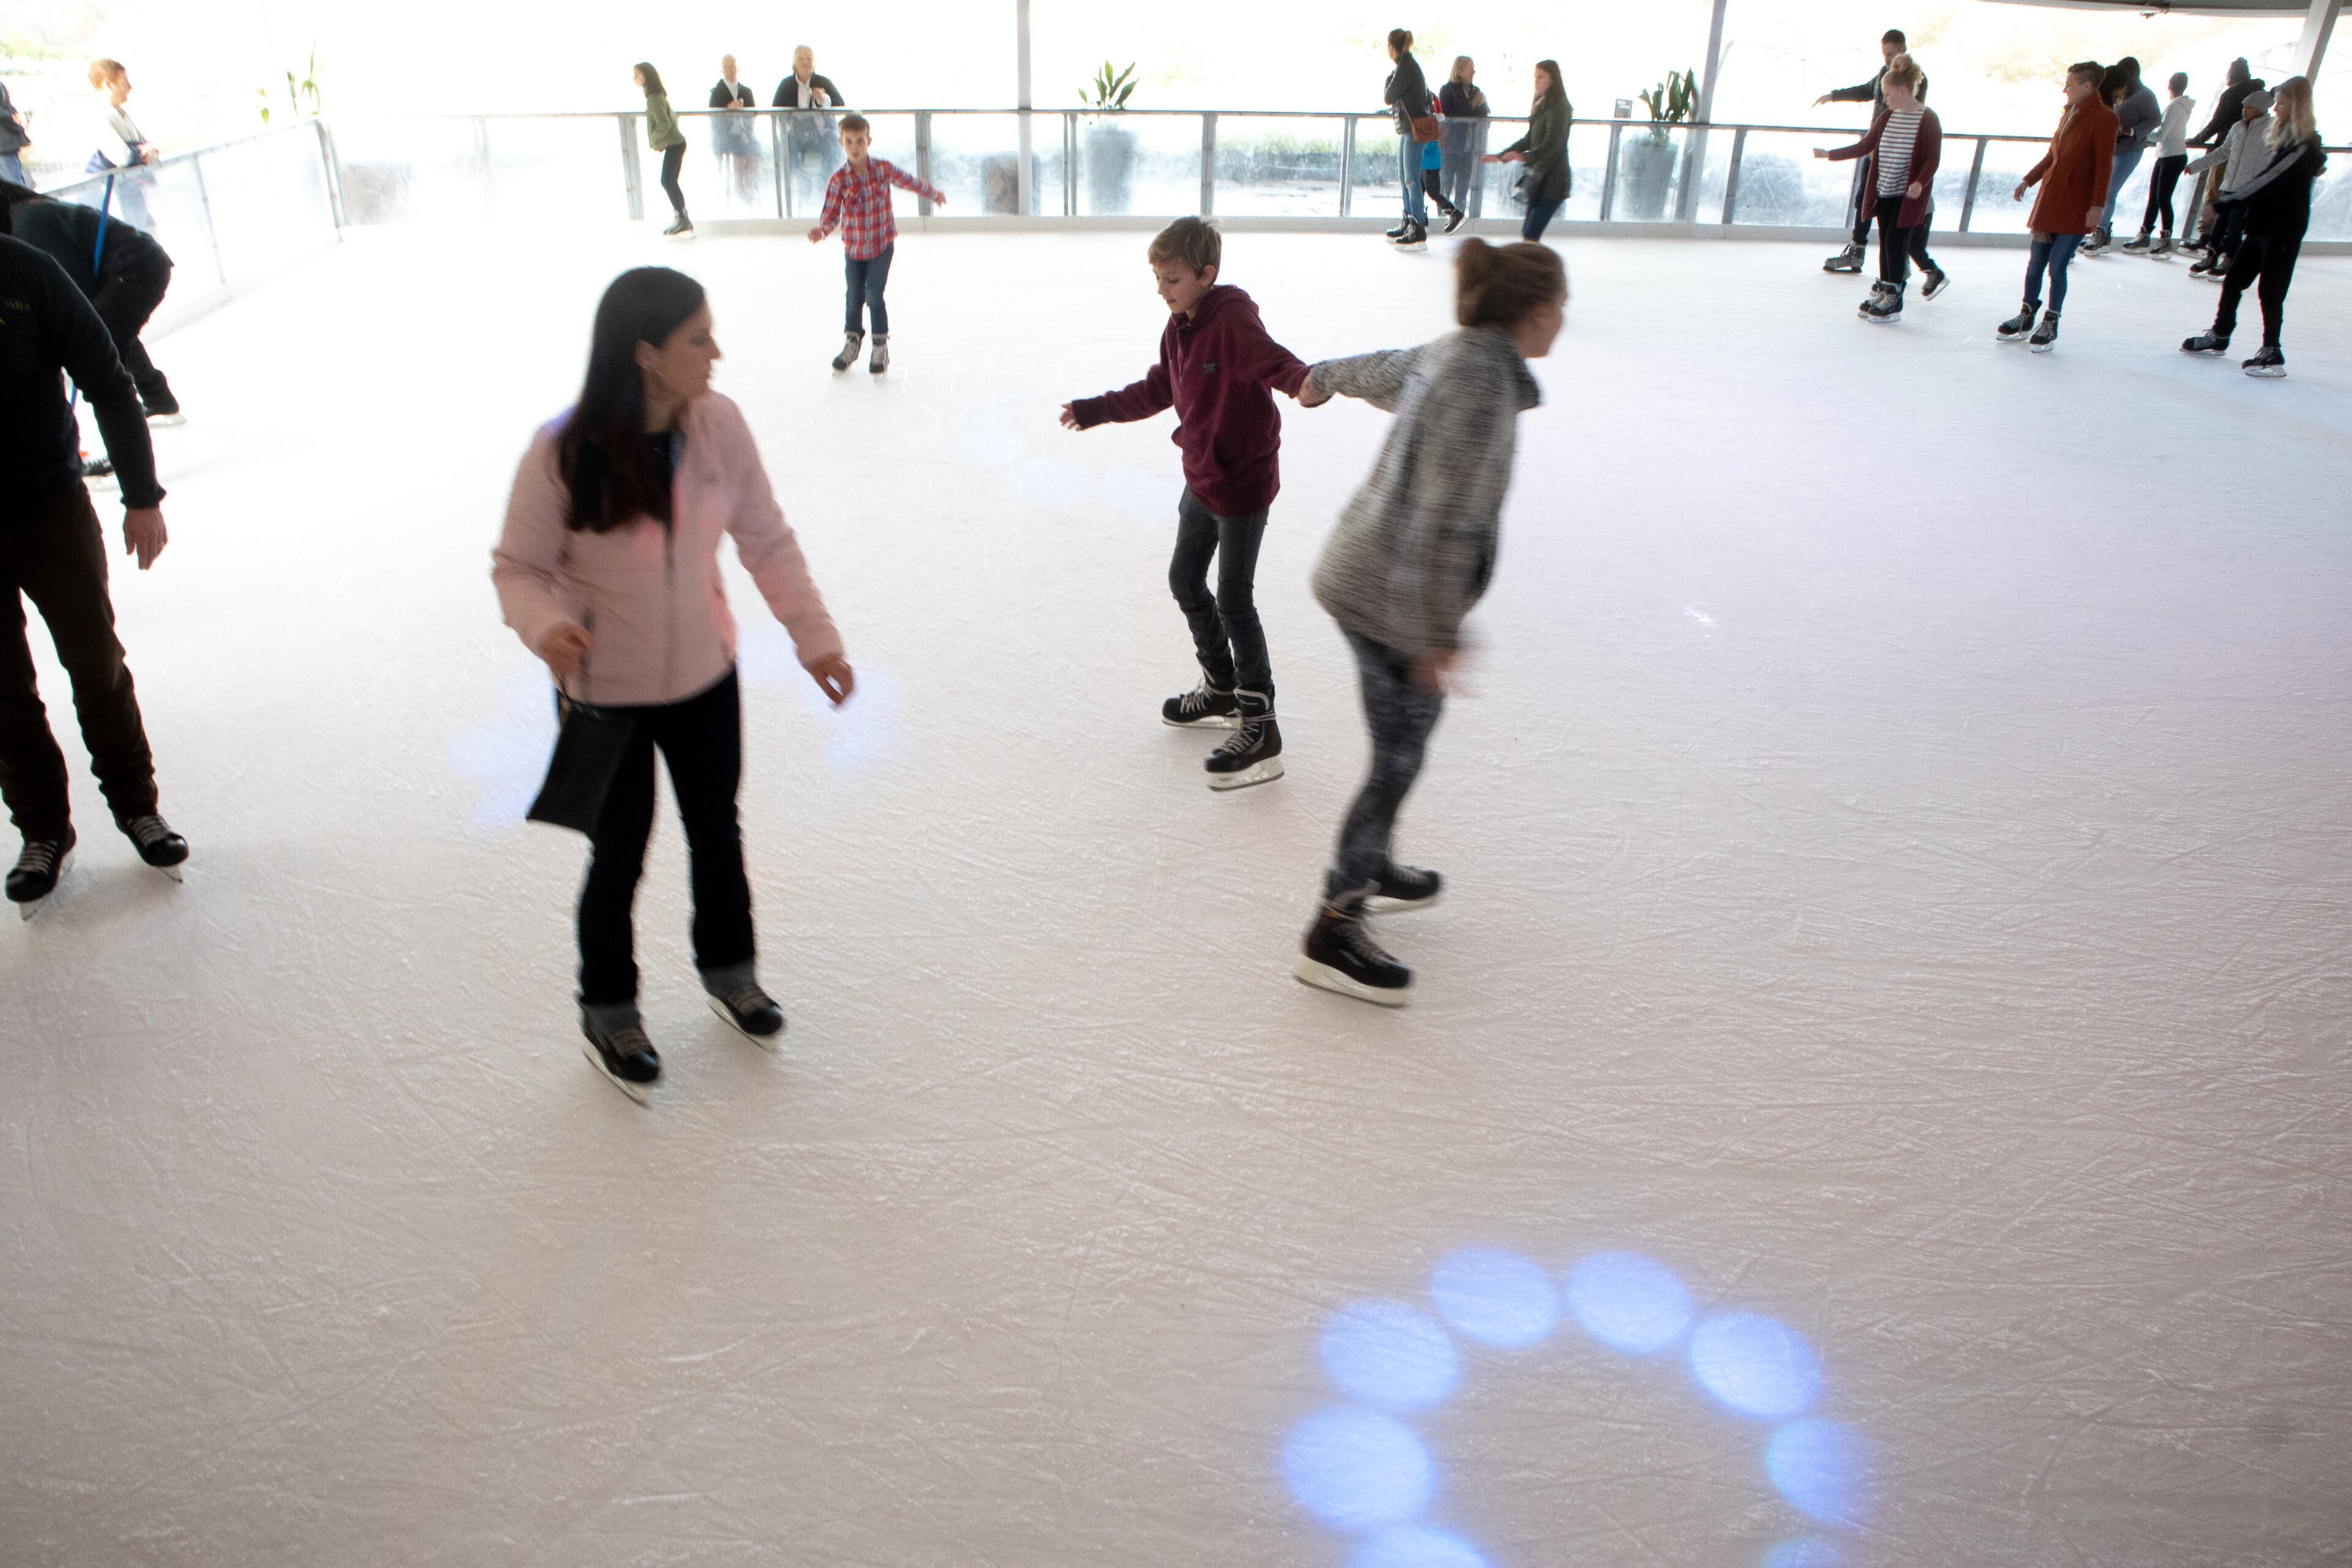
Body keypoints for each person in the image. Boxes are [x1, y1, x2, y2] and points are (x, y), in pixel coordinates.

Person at [492, 267, 853, 1098]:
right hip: (604, 691)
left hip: (703, 678)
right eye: (700, 339)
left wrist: (816, 640)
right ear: (646, 353)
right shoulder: (563, 450)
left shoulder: (720, 425)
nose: (716, 353)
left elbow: (767, 539)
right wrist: (547, 627)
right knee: (619, 853)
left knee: (715, 830)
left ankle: (732, 971)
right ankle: (608, 1009)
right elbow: (519, 568)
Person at [1288, 239, 1563, 1007]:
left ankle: (1374, 867)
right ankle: (1333, 928)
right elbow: (1441, 523)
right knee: (1398, 761)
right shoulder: (1480, 387)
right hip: (1388, 597)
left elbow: (1382, 368)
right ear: (1537, 312)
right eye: (1560, 310)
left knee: (1399, 749)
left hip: (1363, 575)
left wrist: (1320, 380)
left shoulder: (1457, 353)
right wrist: (1431, 639)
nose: (1563, 323)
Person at [1058, 219, 1313, 791]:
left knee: (1234, 599)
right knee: (1184, 580)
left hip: (1242, 483)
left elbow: (1276, 362)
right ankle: (1221, 686)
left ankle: (1260, 720)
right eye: (1156, 277)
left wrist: (1303, 383)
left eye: (1171, 278)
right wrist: (1095, 409)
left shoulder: (1233, 322)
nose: (1161, 288)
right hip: (1200, 478)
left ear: (1206, 275)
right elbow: (1158, 389)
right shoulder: (1178, 329)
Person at [0, 232, 186, 916]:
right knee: (3, 690)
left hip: (49, 507)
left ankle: (139, 808)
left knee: (96, 663)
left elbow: (108, 381)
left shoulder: (27, 272)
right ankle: (43, 831)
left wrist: (142, 496)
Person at [2179, 77, 2324, 379]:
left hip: (2284, 230)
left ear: (2297, 106)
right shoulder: (2283, 137)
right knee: (2234, 281)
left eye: (2282, 103)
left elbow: (2269, 180)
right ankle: (2220, 335)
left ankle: (2272, 351)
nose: (2276, 107)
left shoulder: (2304, 145)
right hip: (2261, 225)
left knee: (2270, 291)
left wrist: (2224, 203)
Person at [1, 181, 181, 421]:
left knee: (98, 363)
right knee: (114, 337)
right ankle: (160, 401)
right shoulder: (25, 212)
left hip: (134, 271)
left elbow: (74, 291)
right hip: (134, 268)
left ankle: (127, 436)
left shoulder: (29, 226)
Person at [805, 113, 945, 375]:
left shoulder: (882, 169)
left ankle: (880, 345)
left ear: (869, 141)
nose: (855, 147)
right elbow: (831, 214)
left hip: (882, 246)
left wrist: (933, 193)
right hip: (854, 250)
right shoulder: (839, 180)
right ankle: (852, 342)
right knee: (853, 296)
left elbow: (909, 181)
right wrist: (822, 231)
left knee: (874, 295)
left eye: (860, 141)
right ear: (841, 143)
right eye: (849, 142)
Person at [1994, 62, 2115, 355]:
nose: (2065, 89)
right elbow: (2053, 155)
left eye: (2070, 84)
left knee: (2058, 265)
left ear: (2087, 87)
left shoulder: (2104, 118)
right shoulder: (2070, 112)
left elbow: (2103, 167)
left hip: (2076, 204)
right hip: (2051, 200)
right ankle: (2026, 313)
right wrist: (2029, 180)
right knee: (2036, 264)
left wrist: (2098, 206)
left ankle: (2051, 320)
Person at [1815, 54, 1945, 322]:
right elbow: (1865, 146)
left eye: (1887, 93)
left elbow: (1933, 157)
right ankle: (1887, 288)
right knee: (1886, 243)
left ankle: (1895, 298)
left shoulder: (1928, 119)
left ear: (1903, 90)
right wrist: (1830, 154)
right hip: (1885, 191)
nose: (1885, 99)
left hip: (1907, 196)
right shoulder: (1888, 116)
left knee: (1897, 245)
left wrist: (1920, 183)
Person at [1814, 29, 1926, 273]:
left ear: (1903, 50)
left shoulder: (1916, 80)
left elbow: (1912, 114)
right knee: (1864, 199)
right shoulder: (1884, 74)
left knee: (1894, 207)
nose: (1887, 59)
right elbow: (1866, 91)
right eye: (1885, 54)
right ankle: (1858, 251)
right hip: (1876, 149)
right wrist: (1834, 96)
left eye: (1892, 54)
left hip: (1895, 154)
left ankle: (1901, 262)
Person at [2184, 88, 2274, 280]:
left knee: (2235, 227)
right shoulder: (2237, 128)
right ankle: (2211, 257)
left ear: (2261, 109)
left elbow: (2276, 157)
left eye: (2249, 107)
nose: (2245, 110)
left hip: (2248, 189)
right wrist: (2196, 166)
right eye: (2244, 107)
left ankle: (2230, 260)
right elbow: (2223, 152)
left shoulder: (2271, 128)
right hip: (2229, 187)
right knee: (2219, 225)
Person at [2184, 59, 2264, 254]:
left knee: (2213, 193)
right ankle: (2222, 241)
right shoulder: (2259, 95)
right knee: (2235, 201)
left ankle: (2206, 237)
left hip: (2227, 151)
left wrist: (2198, 140)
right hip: (2247, 157)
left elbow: (2217, 122)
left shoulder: (2231, 94)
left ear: (2231, 75)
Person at [1487, 60, 1571, 243]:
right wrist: (1505, 155)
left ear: (1554, 80)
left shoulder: (1560, 107)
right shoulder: (1541, 104)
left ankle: (1533, 267)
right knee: (1529, 233)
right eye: (1535, 77)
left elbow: (1553, 144)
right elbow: (1530, 138)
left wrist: (1524, 156)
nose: (1536, 81)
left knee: (1531, 233)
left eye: (1541, 77)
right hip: (1538, 178)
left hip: (1553, 180)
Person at [2081, 57, 2158, 255]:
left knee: (2109, 192)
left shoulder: (2145, 95)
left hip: (2130, 150)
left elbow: (2155, 119)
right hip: (2113, 148)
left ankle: (2101, 233)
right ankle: (2096, 231)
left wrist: (2133, 131)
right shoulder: (2119, 93)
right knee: (2101, 190)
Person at [2124, 72, 2195, 256]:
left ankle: (2164, 241)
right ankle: (2146, 235)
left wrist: (2137, 133)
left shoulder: (2174, 107)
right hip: (2169, 155)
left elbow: (2162, 135)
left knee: (2162, 198)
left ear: (2169, 85)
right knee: (2156, 198)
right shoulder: (2182, 106)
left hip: (2172, 156)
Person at [86, 59, 158, 232]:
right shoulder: (101, 117)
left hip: (130, 194)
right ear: (109, 84)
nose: (130, 87)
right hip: (112, 199)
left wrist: (149, 151)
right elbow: (123, 157)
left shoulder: (120, 114)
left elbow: (147, 147)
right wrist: (144, 152)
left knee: (146, 230)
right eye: (125, 82)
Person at [773, 46, 845, 202]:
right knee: (785, 144)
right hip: (796, 134)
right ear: (794, 63)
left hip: (822, 133)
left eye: (809, 59)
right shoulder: (786, 85)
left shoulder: (823, 81)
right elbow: (775, 112)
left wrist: (825, 99)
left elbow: (841, 105)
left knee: (834, 143)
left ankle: (826, 188)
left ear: (814, 62)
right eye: (801, 59)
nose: (805, 62)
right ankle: (801, 183)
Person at [1382, 29, 1432, 248]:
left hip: (1414, 131)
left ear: (1393, 47)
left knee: (1411, 179)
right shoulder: (1407, 67)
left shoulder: (1406, 68)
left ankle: (1418, 227)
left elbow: (1389, 96)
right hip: (1408, 130)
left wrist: (1391, 77)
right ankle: (1409, 221)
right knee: (1405, 178)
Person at [631, 64, 691, 238]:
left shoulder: (654, 99)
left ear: (646, 76)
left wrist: (655, 140)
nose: (634, 78)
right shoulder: (655, 97)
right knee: (669, 181)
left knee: (667, 181)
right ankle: (682, 217)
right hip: (676, 144)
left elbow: (665, 124)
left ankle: (682, 218)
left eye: (637, 75)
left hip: (675, 144)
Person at [1438, 57, 1488, 223]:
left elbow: (1484, 113)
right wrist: (1473, 106)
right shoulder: (1447, 90)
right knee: (1446, 181)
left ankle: (1459, 216)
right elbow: (1446, 115)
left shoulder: (1475, 91)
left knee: (1464, 183)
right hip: (1452, 145)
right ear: (1459, 71)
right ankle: (1443, 215)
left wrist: (1476, 106)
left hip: (1470, 146)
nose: (1474, 72)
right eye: (1470, 68)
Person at [709, 56, 761, 213]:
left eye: (733, 67)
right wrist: (728, 110)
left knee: (755, 150)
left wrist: (746, 132)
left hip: (744, 135)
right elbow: (715, 122)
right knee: (740, 153)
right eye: (727, 67)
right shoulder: (717, 93)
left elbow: (752, 117)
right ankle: (740, 189)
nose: (730, 71)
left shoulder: (746, 91)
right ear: (722, 70)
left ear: (738, 69)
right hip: (725, 137)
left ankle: (750, 186)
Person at [0, 77, 31, 187]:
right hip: (4, 146)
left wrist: (15, 114)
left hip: (8, 143)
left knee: (15, 184)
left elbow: (7, 105)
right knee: (15, 185)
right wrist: (11, 117)